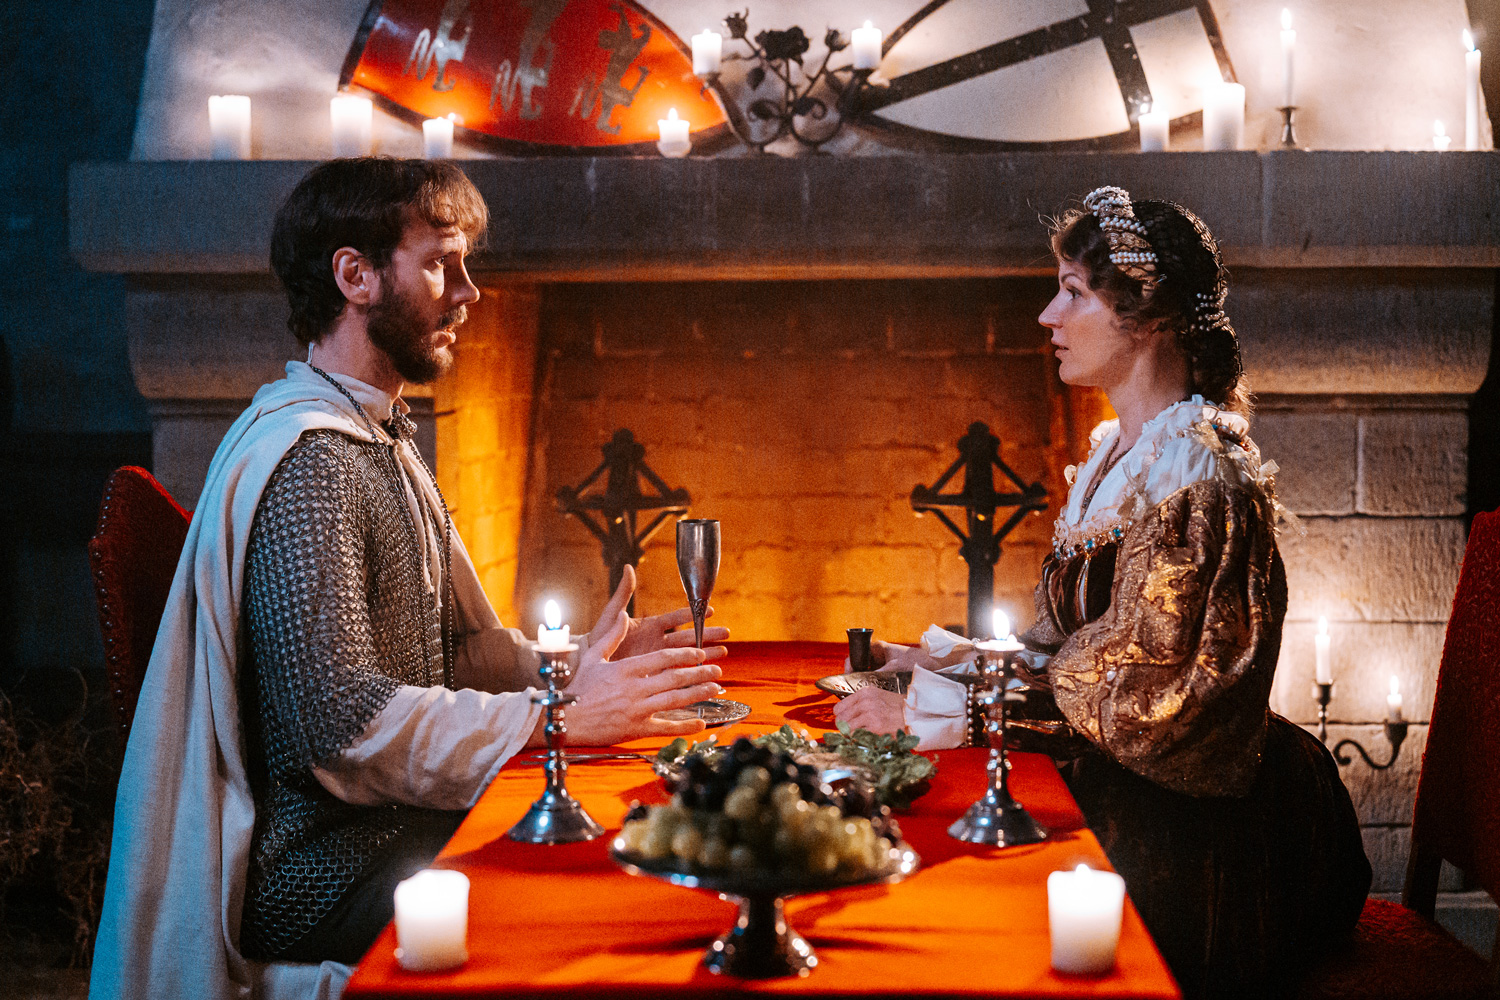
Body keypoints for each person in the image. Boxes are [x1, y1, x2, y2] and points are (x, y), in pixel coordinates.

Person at [90, 158, 729, 1000]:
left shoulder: (375, 437)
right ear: (354, 276)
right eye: (439, 264)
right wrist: (558, 717)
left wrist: (570, 665)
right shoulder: (314, 462)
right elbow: (342, 727)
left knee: (632, 831)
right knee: (600, 880)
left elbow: (431, 658)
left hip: (394, 830)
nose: (468, 292)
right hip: (326, 868)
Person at [834, 186, 1371, 998]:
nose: (1048, 316)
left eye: (1073, 292)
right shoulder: (1119, 453)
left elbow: (1153, 701)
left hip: (1189, 829)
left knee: (950, 872)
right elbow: (1073, 648)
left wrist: (954, 713)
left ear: (1145, 318)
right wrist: (942, 666)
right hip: (1115, 768)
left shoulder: (1199, 473)